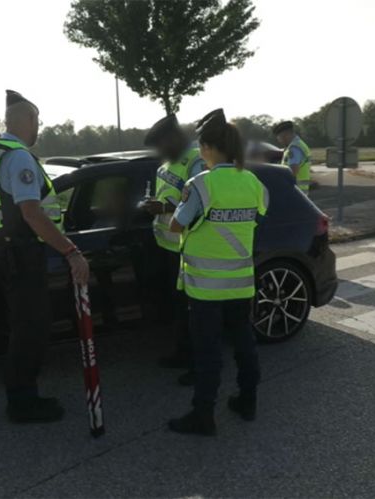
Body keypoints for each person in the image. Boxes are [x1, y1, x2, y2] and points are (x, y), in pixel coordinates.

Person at [0, 90, 90, 423]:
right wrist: (71, 251)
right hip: (22, 253)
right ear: (25, 119)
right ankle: (23, 403)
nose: (38, 126)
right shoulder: (20, 157)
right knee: (32, 330)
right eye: (37, 119)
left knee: (22, 327)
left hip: (2, 248)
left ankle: (21, 394)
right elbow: (32, 213)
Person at [167, 108, 269, 436]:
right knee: (244, 344)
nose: (199, 152)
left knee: (207, 352)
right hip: (241, 286)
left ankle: (203, 415)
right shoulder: (253, 182)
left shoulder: (201, 184)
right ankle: (248, 401)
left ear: (210, 148)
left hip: (206, 290)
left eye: (201, 146)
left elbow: (176, 224)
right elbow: (260, 215)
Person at [140, 114, 205, 369]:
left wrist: (165, 207)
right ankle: (182, 353)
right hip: (166, 246)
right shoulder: (165, 165)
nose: (160, 151)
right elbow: (162, 196)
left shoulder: (195, 162)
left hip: (187, 248)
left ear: (173, 138)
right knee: (178, 309)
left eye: (161, 144)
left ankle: (195, 363)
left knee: (191, 310)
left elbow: (201, 203)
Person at [273, 120, 311, 196]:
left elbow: (292, 172)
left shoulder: (294, 148)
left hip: (295, 193)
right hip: (300, 192)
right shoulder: (299, 145)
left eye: (280, 138)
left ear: (286, 135)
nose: (280, 141)